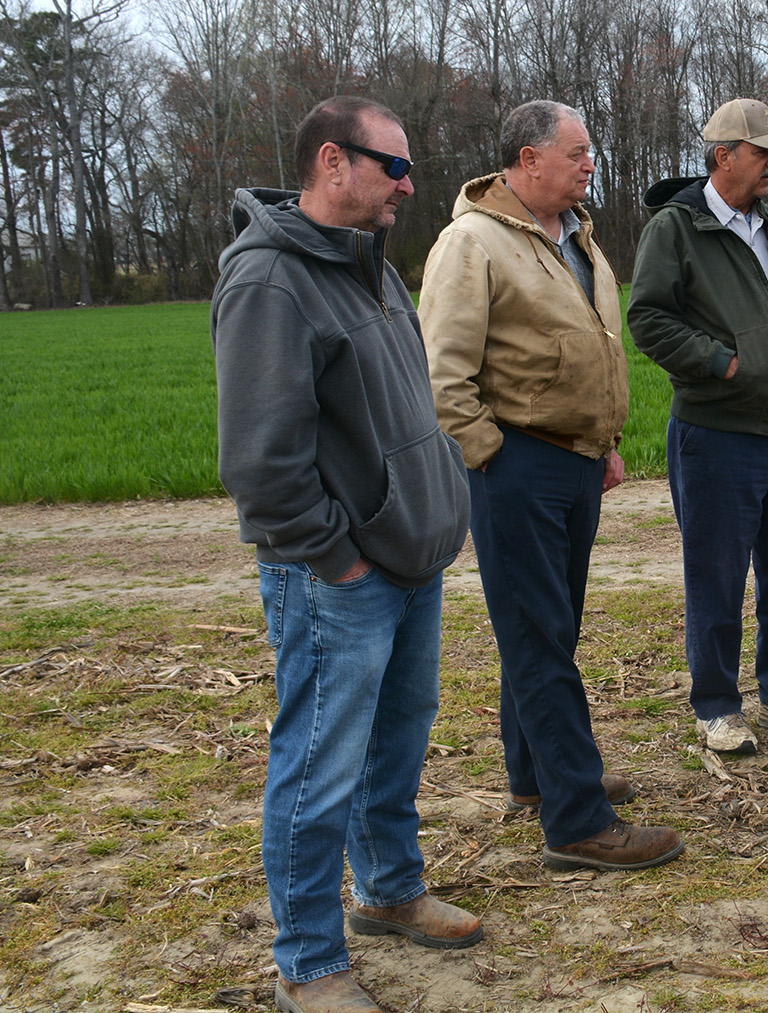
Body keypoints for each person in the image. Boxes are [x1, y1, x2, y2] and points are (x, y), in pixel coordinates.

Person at [212, 95, 480, 1013]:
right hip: (340, 577)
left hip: (411, 561)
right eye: (393, 166)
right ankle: (309, 963)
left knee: (395, 745)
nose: (409, 183)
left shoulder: (370, 264)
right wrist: (336, 558)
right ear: (335, 162)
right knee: (319, 766)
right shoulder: (268, 282)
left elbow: (407, 408)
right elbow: (260, 460)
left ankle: (390, 891)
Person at [419, 100, 684, 872]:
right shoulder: (471, 242)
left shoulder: (578, 238)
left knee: (549, 630)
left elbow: (591, 347)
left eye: (589, 152)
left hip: (573, 461)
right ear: (527, 160)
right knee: (539, 640)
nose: (589, 163)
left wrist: (601, 442)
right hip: (517, 466)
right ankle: (577, 819)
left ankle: (536, 777)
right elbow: (442, 372)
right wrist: (491, 455)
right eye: (576, 152)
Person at [628, 98, 768, 756]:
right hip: (716, 434)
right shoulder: (675, 229)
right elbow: (650, 319)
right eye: (762, 152)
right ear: (724, 156)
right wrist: (722, 365)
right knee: (716, 574)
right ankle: (717, 704)